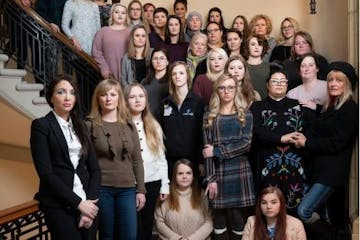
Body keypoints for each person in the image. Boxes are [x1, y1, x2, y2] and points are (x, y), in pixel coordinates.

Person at [30, 74, 101, 239]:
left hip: (88, 205)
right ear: (51, 98)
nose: (67, 97)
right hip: (59, 205)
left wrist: (89, 205)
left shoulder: (81, 126)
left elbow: (95, 169)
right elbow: (46, 174)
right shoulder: (41, 125)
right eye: (61, 92)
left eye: (72, 92)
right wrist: (79, 204)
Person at [294, 62, 358, 240]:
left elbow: (337, 143)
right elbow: (322, 129)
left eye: (339, 80)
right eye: (330, 80)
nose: (333, 84)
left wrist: (307, 143)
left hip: (331, 173)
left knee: (304, 210)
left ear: (347, 84)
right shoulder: (331, 107)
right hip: (320, 169)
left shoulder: (350, 108)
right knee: (327, 216)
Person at [87, 79, 146, 240]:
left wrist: (140, 189)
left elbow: (137, 160)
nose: (108, 98)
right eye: (104, 95)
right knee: (107, 236)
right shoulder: (90, 125)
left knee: (129, 236)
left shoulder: (129, 125)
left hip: (127, 189)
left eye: (113, 94)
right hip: (102, 189)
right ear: (97, 99)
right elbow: (85, 163)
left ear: (119, 98)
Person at [249, 69, 310, 216]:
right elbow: (257, 132)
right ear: (267, 85)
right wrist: (281, 139)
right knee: (269, 208)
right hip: (268, 166)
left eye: (283, 81)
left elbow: (308, 131)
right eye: (275, 81)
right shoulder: (257, 107)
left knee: (294, 208)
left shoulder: (298, 106)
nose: (279, 84)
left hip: (294, 165)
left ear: (287, 85)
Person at [202, 73, 255, 240]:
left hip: (240, 171)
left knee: (238, 218)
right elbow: (207, 151)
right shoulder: (209, 116)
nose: (226, 91)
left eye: (230, 87)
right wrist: (211, 179)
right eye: (222, 88)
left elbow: (246, 144)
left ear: (236, 89)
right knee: (219, 219)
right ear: (217, 90)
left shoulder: (245, 114)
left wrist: (218, 151)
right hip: (218, 173)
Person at [124, 83, 170, 240]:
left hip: (152, 181)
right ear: (125, 101)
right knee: (131, 226)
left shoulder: (153, 125)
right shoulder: (121, 125)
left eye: (141, 96)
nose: (137, 100)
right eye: (132, 97)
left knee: (146, 224)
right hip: (130, 183)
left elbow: (161, 158)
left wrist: (165, 184)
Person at [158, 61, 205, 179]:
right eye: (174, 74)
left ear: (187, 76)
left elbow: (202, 134)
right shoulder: (165, 103)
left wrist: (201, 161)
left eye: (181, 73)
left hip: (192, 158)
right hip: (170, 159)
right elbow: (160, 132)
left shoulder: (197, 102)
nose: (177, 76)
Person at [155, 159, 213, 240]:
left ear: (193, 176)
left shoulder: (202, 194)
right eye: (180, 173)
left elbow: (209, 222)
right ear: (174, 176)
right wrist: (177, 238)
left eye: (188, 173)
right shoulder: (166, 194)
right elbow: (159, 222)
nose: (184, 176)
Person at [242, 186, 307, 240]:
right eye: (264, 203)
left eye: (273, 202)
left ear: (281, 204)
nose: (268, 206)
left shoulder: (296, 224)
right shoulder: (251, 221)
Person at [92, 3, 130, 82]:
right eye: (117, 12)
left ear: (126, 16)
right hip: (109, 73)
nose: (120, 15)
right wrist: (104, 67)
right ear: (112, 14)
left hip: (128, 72)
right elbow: (96, 52)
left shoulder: (131, 32)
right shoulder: (103, 31)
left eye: (123, 13)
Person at [142, 48, 170, 115]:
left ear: (167, 62)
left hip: (165, 119)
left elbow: (171, 103)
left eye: (162, 58)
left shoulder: (172, 81)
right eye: (155, 58)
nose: (158, 61)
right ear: (151, 62)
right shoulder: (145, 81)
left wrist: (167, 117)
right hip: (148, 118)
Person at [244, 34, 270, 99]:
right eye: (253, 44)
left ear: (263, 47)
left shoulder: (269, 67)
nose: (256, 47)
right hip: (245, 103)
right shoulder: (241, 66)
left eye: (259, 44)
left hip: (265, 104)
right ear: (247, 47)